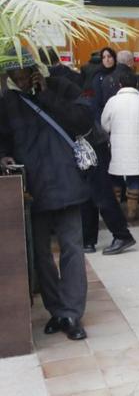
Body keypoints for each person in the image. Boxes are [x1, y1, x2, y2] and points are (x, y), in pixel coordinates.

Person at [0, 57, 92, 340]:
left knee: (72, 249)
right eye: (15, 72)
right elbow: (3, 137)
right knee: (41, 254)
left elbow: (82, 121)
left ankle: (72, 313)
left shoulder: (61, 86)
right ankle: (56, 310)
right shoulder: (7, 100)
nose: (22, 76)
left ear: (35, 69)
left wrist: (47, 95)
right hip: (32, 185)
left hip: (66, 180)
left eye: (26, 71)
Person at [101, 70, 139, 221]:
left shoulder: (112, 101)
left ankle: (116, 211)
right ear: (136, 84)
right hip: (137, 145)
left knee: (116, 177)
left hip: (116, 145)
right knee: (134, 178)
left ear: (120, 85)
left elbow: (105, 124)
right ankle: (131, 211)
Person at [80, 117, 138, 255]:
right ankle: (88, 240)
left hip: (90, 145)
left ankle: (122, 235)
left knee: (100, 192)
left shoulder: (62, 99)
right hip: (88, 143)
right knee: (88, 193)